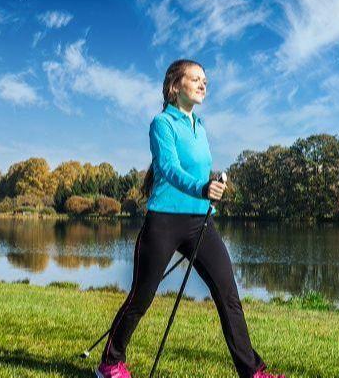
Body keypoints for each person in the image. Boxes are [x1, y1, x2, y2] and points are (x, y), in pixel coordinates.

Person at [96, 59, 286, 378]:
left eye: (205, 81)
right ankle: (110, 363)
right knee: (141, 297)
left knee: (228, 296)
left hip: (201, 222)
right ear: (175, 86)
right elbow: (169, 169)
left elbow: (198, 171)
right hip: (164, 223)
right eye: (195, 79)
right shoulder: (162, 124)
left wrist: (212, 189)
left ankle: (252, 372)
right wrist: (201, 187)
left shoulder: (200, 126)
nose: (203, 85)